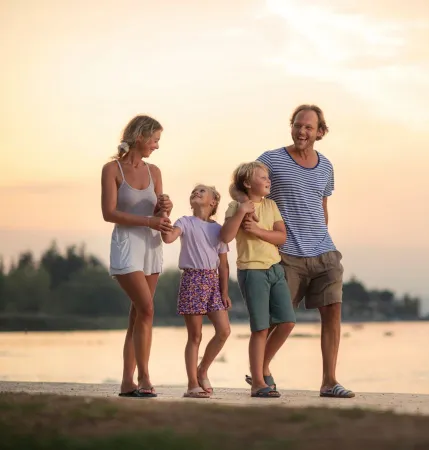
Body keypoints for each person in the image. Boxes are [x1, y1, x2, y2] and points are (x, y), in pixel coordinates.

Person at [239, 105, 354, 398]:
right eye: (297, 125)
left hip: (324, 252)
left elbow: (322, 206)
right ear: (292, 126)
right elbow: (246, 185)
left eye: (308, 127)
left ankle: (329, 381)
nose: (302, 131)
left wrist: (321, 235)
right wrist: (246, 218)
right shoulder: (271, 159)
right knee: (280, 319)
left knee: (333, 313)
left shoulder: (326, 166)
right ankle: (261, 372)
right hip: (285, 253)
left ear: (320, 132)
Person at [101, 115, 173, 398]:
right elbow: (109, 213)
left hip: (152, 247)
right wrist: (149, 222)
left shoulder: (155, 171)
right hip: (127, 245)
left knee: (138, 316)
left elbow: (159, 215)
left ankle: (126, 382)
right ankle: (144, 377)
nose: (156, 146)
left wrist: (165, 208)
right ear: (140, 137)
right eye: (154, 140)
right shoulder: (112, 169)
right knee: (147, 310)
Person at [221, 162, 296, 398]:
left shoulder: (271, 205)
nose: (268, 180)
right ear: (247, 183)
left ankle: (260, 369)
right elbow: (225, 236)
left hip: (275, 269)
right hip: (252, 272)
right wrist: (243, 211)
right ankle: (258, 384)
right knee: (260, 329)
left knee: (287, 322)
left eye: (268, 177)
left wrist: (257, 231)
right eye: (262, 177)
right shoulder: (235, 207)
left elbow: (281, 237)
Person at [161, 184, 232, 398]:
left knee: (224, 331)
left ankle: (202, 370)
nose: (196, 193)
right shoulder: (185, 222)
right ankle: (192, 384)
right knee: (195, 335)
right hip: (193, 279)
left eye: (202, 191)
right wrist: (165, 213)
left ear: (213, 202)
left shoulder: (219, 230)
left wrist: (224, 292)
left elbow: (224, 265)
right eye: (194, 191)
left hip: (212, 280)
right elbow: (169, 238)